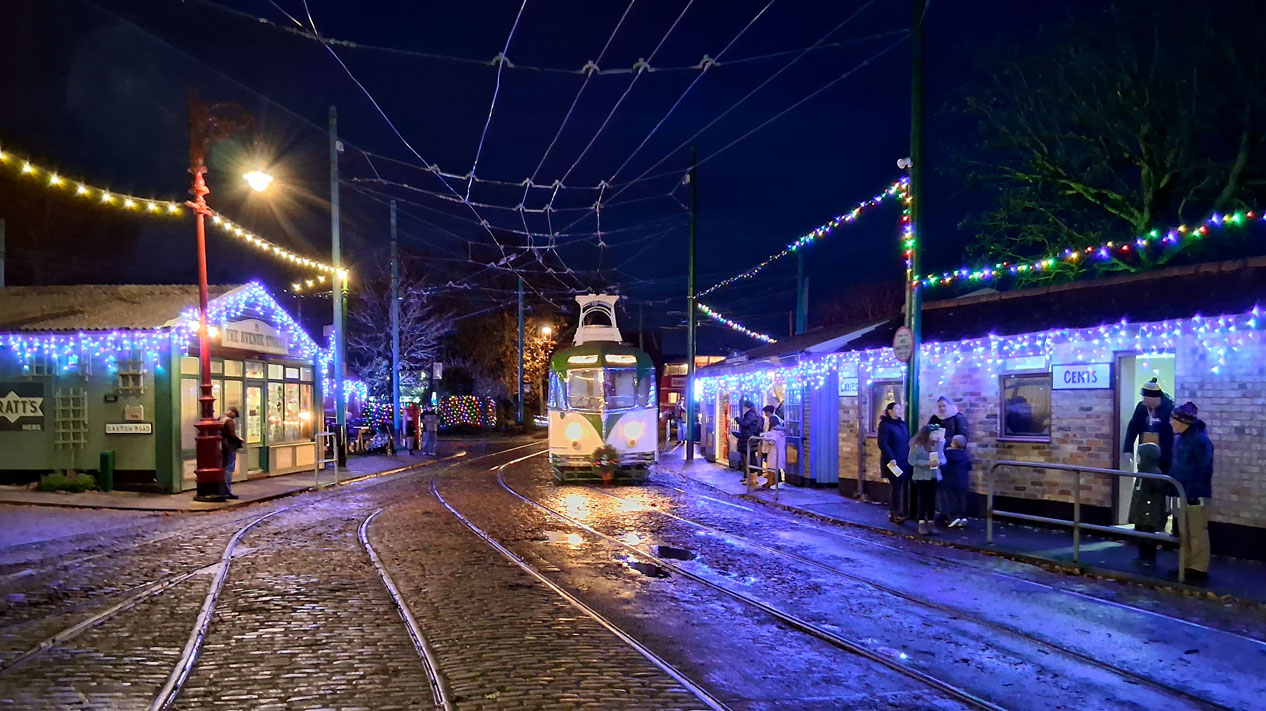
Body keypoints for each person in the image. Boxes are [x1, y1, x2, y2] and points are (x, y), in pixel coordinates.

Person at [1169, 402, 1213, 583]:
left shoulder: (1200, 441)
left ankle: (1199, 567)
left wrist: (1193, 489)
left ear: (1183, 422)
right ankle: (1186, 564)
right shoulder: (1180, 439)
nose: (1170, 422)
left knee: (1196, 530)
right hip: (1182, 491)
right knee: (1184, 531)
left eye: (1173, 419)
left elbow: (1205, 468)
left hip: (1195, 493)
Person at [928, 396, 967, 526]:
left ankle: (955, 514)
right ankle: (942, 512)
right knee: (938, 484)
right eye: (940, 406)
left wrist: (946, 441)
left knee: (951, 487)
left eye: (944, 406)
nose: (942, 409)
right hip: (936, 453)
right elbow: (928, 433)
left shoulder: (957, 418)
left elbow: (962, 437)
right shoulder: (934, 418)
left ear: (949, 405)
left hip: (951, 456)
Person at [1128, 442, 1168, 565]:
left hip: (1149, 510)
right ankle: (1142, 556)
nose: (1137, 459)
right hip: (1142, 509)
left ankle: (1149, 558)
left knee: (1148, 536)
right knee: (1141, 534)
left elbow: (1158, 488)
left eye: (1139, 456)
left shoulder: (1153, 473)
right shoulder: (1143, 471)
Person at [1123, 378, 1174, 475]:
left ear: (1153, 397)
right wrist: (1128, 449)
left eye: (1145, 397)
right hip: (1144, 454)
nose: (1143, 400)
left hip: (1163, 455)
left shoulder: (1169, 409)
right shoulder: (1141, 408)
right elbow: (1132, 428)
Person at [876, 402, 911, 524]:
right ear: (890, 411)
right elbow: (883, 443)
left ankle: (902, 511)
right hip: (892, 462)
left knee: (902, 484)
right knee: (896, 484)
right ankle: (895, 513)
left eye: (900, 409)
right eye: (897, 409)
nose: (900, 411)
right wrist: (891, 457)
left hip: (904, 460)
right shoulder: (885, 425)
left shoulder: (902, 424)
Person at [909, 424, 945, 536]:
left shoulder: (938, 445)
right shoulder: (917, 446)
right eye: (934, 433)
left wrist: (940, 462)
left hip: (934, 475)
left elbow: (943, 458)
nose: (937, 435)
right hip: (921, 476)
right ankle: (921, 523)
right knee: (923, 500)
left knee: (932, 500)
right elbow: (911, 460)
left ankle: (931, 523)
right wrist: (926, 463)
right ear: (927, 434)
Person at [941, 435, 972, 528]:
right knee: (962, 499)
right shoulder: (965, 455)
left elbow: (942, 465)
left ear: (953, 443)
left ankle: (953, 518)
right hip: (963, 481)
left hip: (949, 481)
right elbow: (969, 467)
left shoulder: (947, 454)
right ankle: (963, 517)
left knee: (950, 499)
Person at [734, 400, 762, 484]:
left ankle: (749, 478)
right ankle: (753, 478)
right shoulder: (755, 414)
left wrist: (737, 419)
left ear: (746, 407)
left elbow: (745, 424)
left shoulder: (750, 414)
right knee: (751, 458)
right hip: (751, 439)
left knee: (747, 459)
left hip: (747, 440)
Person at [759, 404, 785, 489]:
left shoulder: (772, 421)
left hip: (773, 450)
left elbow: (772, 440)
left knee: (772, 465)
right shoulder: (778, 422)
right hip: (776, 449)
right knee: (774, 465)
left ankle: (772, 481)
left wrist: (764, 436)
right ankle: (774, 480)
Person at [220, 407, 244, 500]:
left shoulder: (220, 419)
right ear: (232, 413)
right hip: (229, 447)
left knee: (224, 468)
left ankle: (222, 490)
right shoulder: (229, 421)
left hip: (221, 447)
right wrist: (240, 440)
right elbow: (232, 435)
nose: (234, 417)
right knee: (229, 469)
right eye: (235, 415)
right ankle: (227, 491)